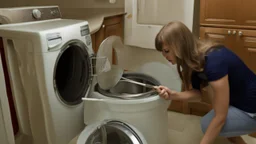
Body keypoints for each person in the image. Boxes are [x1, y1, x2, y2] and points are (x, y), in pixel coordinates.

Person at [154, 21, 256, 144]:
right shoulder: (195, 60)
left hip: (251, 107)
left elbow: (220, 117)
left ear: (179, 46)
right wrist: (173, 95)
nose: (164, 56)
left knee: (210, 124)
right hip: (239, 100)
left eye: (166, 51)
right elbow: (198, 94)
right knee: (215, 123)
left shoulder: (214, 63)